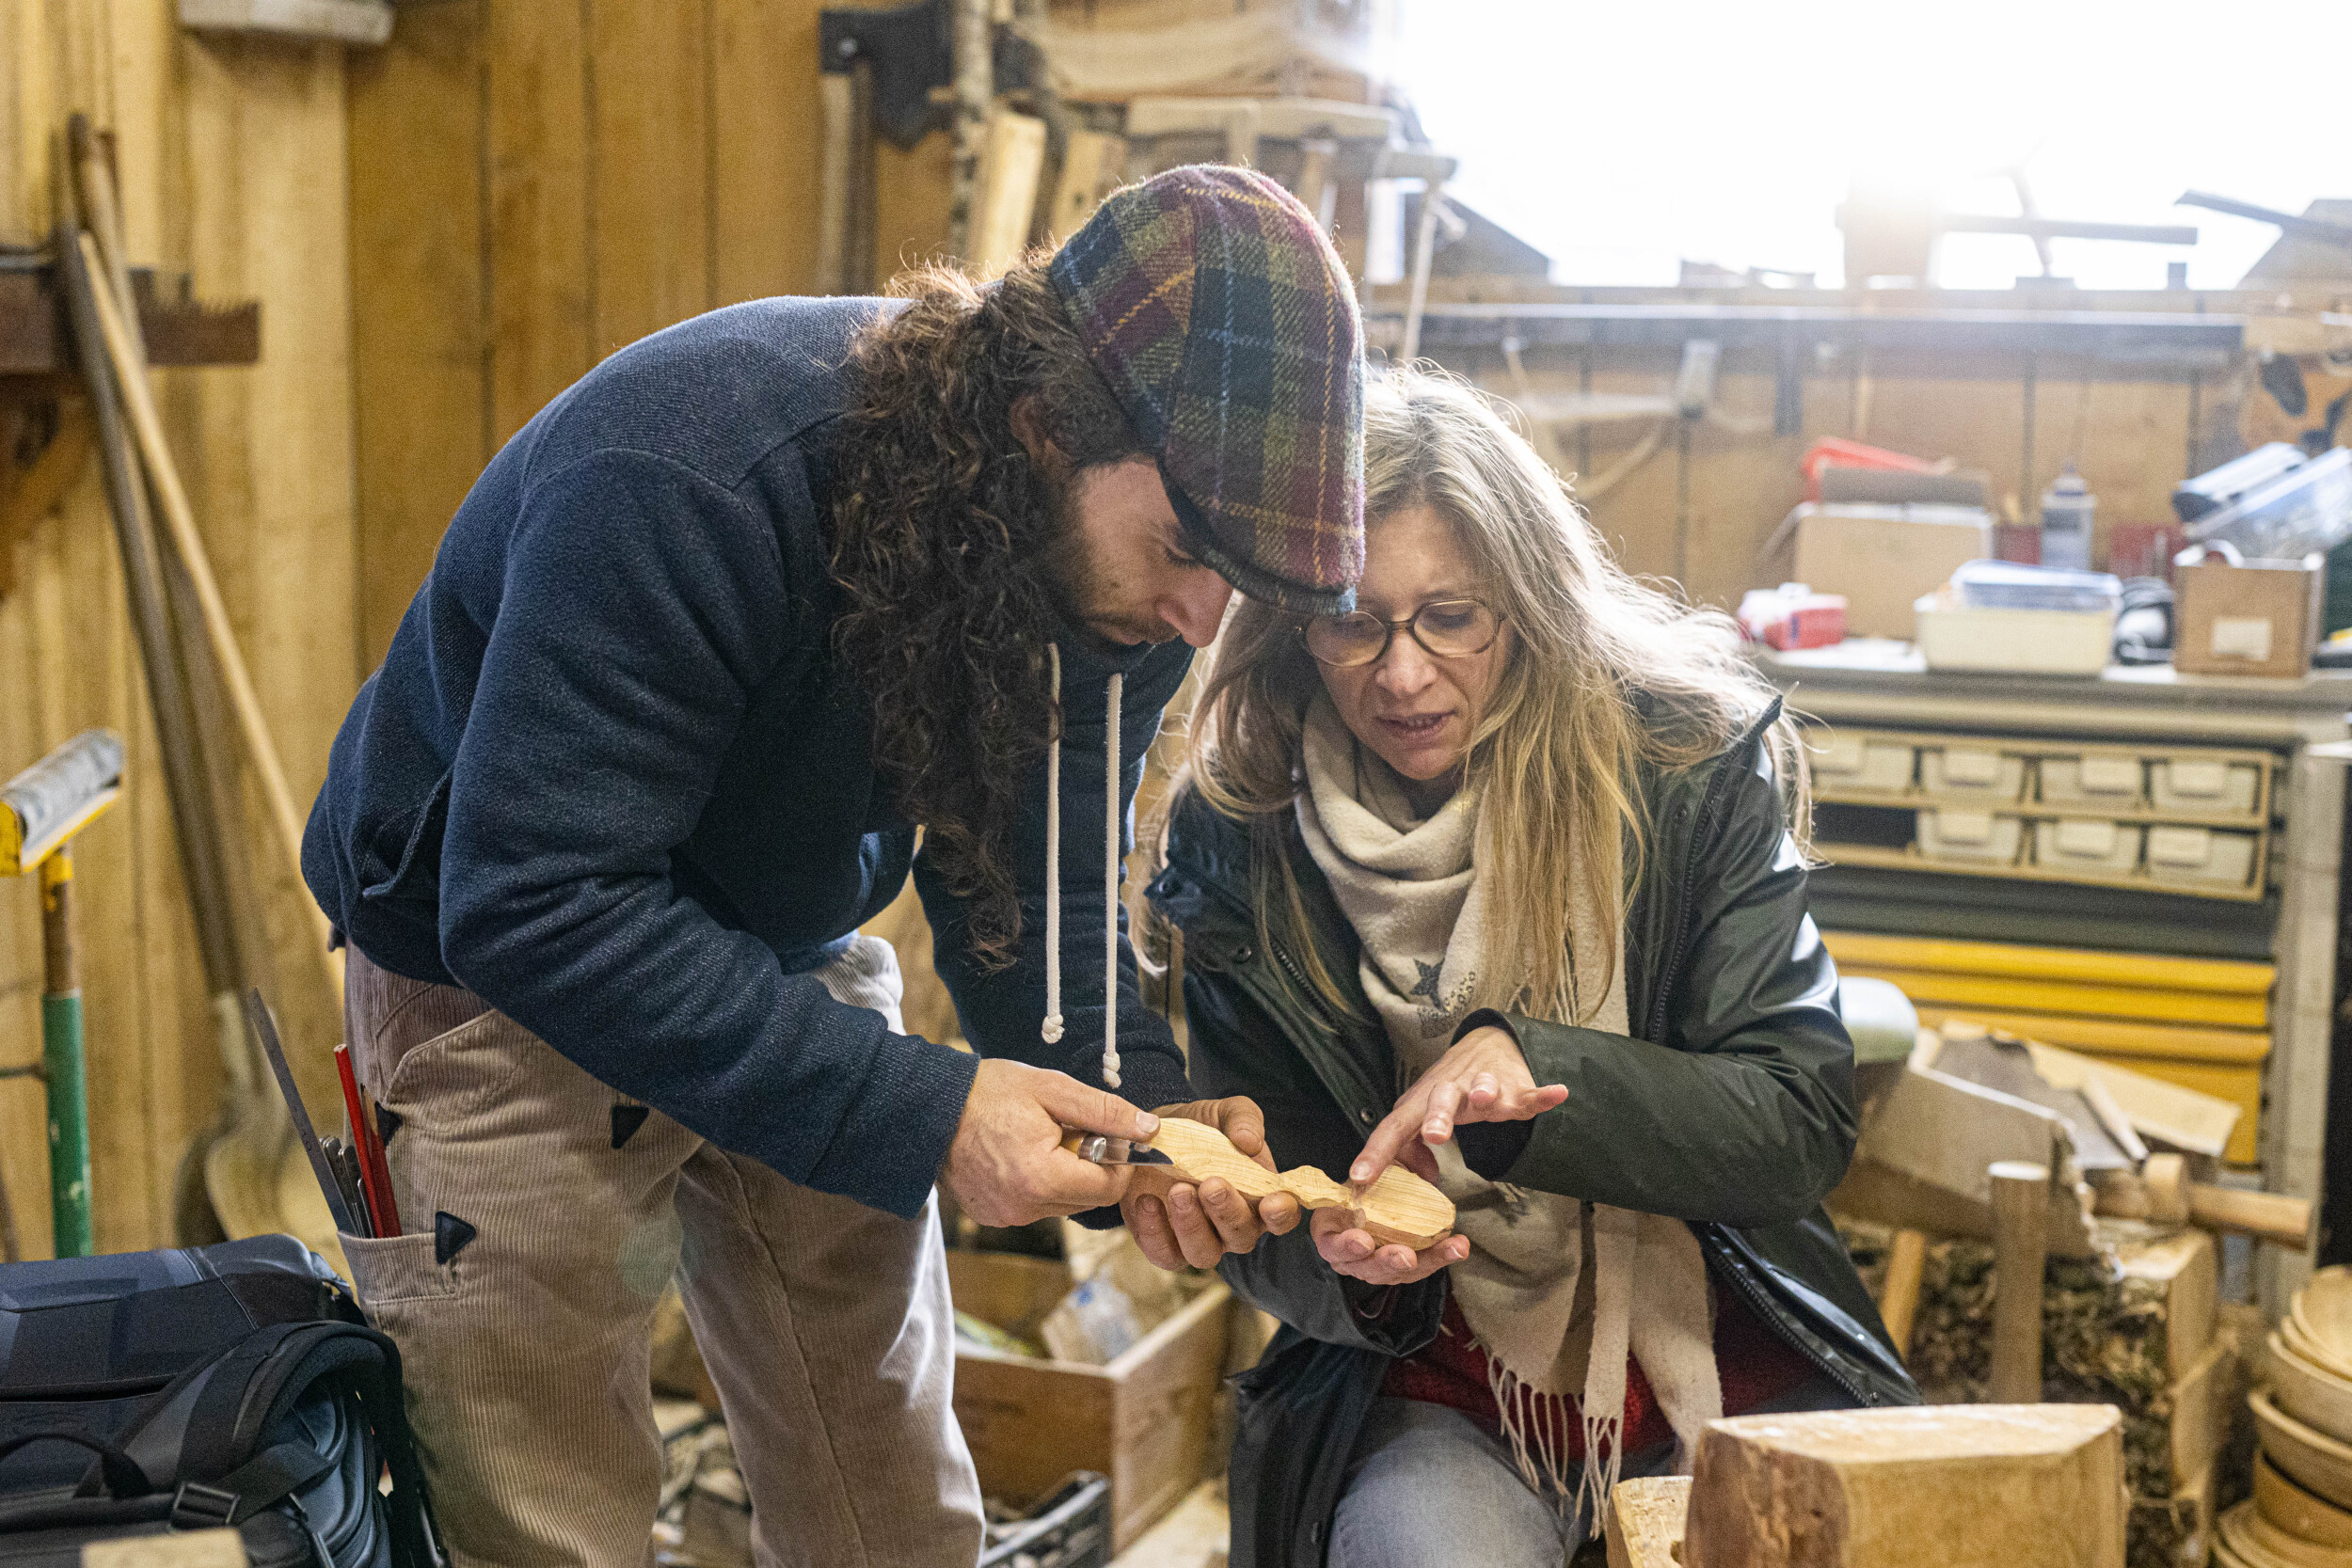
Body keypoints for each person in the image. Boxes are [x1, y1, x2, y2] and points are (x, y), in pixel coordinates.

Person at [300, 166, 1355, 1567]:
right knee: (546, 1514)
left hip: (776, 928)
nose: (1198, 612)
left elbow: (1036, 886)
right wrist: (929, 1110)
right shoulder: (697, 474)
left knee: (891, 1490)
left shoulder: (1122, 579)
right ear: (1045, 430)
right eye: (1180, 548)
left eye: (1232, 571)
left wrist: (1146, 1114)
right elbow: (538, 896)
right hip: (501, 959)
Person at [1145, 368, 1918, 1568]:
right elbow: (1269, 1175)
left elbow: (1796, 1113)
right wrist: (1340, 1256)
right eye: (1353, 618)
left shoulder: (1678, 765)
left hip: (1723, 1350)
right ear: (1292, 615)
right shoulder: (1241, 825)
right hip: (1437, 1382)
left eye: (1449, 615)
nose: (1401, 676)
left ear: (1527, 595)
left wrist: (1537, 1073)